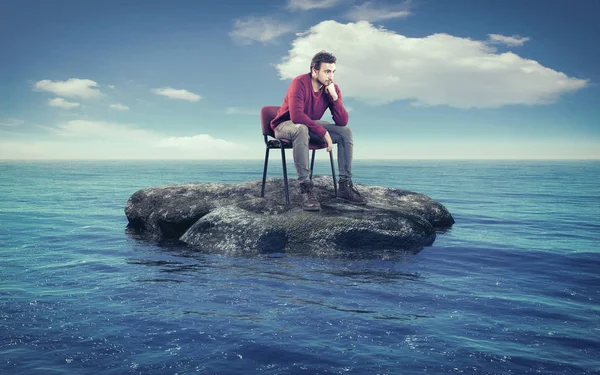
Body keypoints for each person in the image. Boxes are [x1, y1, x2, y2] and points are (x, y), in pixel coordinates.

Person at [270, 50, 366, 211]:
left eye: (333, 72)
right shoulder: (299, 83)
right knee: (301, 129)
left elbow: (342, 121)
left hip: (310, 125)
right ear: (314, 71)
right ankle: (305, 188)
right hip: (286, 125)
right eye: (327, 71)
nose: (331, 76)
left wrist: (335, 98)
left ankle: (344, 186)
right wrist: (323, 133)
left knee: (346, 132)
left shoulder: (331, 89)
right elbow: (297, 116)